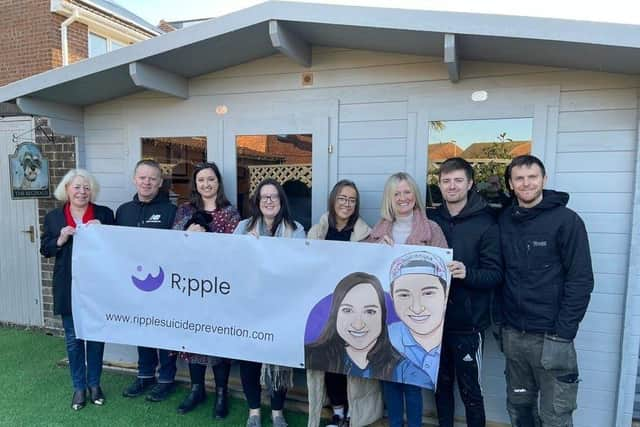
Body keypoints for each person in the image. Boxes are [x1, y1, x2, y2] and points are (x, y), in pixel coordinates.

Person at [499, 155, 594, 426]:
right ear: (510, 183)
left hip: (552, 338)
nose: (526, 183)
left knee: (556, 415)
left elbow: (581, 280)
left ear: (544, 180)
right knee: (520, 408)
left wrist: (564, 332)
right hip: (514, 336)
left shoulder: (567, 221)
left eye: (533, 177)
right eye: (519, 178)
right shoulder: (505, 220)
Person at [367, 172, 448, 427]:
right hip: (387, 314)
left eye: (407, 192)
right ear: (389, 199)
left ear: (415, 195)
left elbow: (442, 271)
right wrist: (376, 250)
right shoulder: (378, 230)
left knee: (412, 382)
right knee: (389, 378)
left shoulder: (431, 229)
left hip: (417, 316)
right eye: (397, 193)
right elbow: (361, 267)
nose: (403, 198)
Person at [430, 158, 503, 427]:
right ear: (439, 184)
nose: (452, 186)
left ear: (470, 183)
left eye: (458, 180)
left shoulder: (487, 223)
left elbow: (495, 274)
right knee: (441, 387)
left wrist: (467, 272)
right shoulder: (431, 220)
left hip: (468, 324)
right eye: (446, 181)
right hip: (433, 324)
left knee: (471, 391)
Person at [40, 169, 115, 410]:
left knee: (95, 339)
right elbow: (45, 248)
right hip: (67, 287)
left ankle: (95, 385)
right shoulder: (53, 217)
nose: (82, 191)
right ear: (67, 190)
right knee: (73, 341)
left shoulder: (104, 214)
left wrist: (103, 231)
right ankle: (79, 388)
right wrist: (60, 239)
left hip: (97, 287)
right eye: (77, 187)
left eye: (86, 187)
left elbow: (117, 248)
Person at [233, 178, 305, 427]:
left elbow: (298, 268)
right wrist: (248, 248)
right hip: (249, 307)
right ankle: (254, 410)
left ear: (281, 201)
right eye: (264, 197)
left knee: (279, 361)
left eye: (274, 196)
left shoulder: (296, 230)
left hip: (282, 308)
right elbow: (231, 264)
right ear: (257, 201)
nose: (269, 201)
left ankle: (277, 411)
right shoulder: (243, 227)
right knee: (249, 360)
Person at [172, 162, 240, 418]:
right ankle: (196, 389)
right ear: (195, 184)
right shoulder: (184, 210)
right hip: (192, 286)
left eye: (210, 179)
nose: (206, 184)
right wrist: (187, 233)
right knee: (193, 338)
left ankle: (221, 393)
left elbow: (236, 250)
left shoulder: (230, 213)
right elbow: (172, 243)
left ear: (218, 183)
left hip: (220, 286)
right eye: (201, 180)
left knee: (218, 339)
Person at [306, 180, 375, 427]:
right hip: (325, 310)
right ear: (333, 200)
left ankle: (351, 414)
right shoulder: (316, 232)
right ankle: (337, 411)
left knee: (351, 364)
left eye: (352, 200)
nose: (346, 204)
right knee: (330, 364)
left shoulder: (367, 235)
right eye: (342, 198)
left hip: (355, 311)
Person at [117, 159, 178, 402]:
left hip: (163, 284)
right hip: (134, 283)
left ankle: (166, 379)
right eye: (142, 177)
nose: (147, 182)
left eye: (152, 178)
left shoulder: (171, 211)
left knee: (163, 332)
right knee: (140, 329)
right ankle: (144, 376)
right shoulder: (122, 211)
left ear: (160, 182)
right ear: (135, 179)